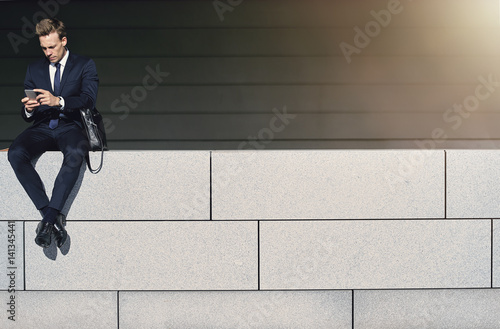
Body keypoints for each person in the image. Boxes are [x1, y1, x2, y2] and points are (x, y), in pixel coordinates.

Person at [8, 18, 99, 248]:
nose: (48, 52)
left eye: (52, 47)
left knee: (76, 152)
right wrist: (28, 109)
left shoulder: (84, 64)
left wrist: (59, 101)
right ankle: (50, 217)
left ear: (64, 41)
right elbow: (27, 108)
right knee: (16, 152)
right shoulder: (34, 69)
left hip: (70, 126)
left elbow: (88, 99)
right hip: (41, 126)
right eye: (44, 48)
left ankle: (48, 220)